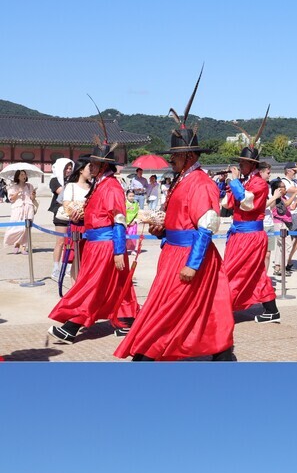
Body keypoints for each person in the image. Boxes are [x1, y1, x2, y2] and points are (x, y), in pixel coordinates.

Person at [114, 73, 234, 362]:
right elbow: (179, 219)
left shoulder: (201, 183)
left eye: (176, 156)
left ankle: (147, 355)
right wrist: (162, 229)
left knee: (173, 307)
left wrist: (193, 264)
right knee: (185, 305)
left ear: (189, 156)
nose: (172, 160)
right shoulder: (182, 180)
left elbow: (206, 226)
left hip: (191, 255)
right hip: (173, 252)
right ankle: (218, 353)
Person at [48, 134, 139, 344]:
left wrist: (119, 250)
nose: (90, 167)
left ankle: (71, 327)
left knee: (91, 284)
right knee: (117, 284)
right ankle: (126, 321)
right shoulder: (99, 184)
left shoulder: (112, 186)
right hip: (95, 242)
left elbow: (119, 219)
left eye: (94, 163)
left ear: (103, 165)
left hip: (106, 244)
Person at [220, 116, 280, 324]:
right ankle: (271, 310)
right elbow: (228, 204)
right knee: (255, 273)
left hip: (250, 235)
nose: (239, 165)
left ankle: (222, 306)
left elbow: (247, 203)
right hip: (239, 234)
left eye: (242, 163)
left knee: (232, 270)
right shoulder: (245, 182)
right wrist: (230, 183)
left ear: (251, 164)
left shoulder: (259, 184)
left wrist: (235, 182)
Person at [49, 158, 74, 278]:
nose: (68, 170)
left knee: (71, 242)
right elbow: (61, 192)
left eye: (70, 168)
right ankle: (56, 267)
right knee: (60, 241)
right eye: (66, 168)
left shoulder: (73, 180)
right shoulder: (54, 180)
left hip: (72, 213)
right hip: (60, 213)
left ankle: (68, 266)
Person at [4, 169, 36, 255]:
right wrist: (18, 192)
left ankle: (23, 246)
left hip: (28, 207)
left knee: (26, 228)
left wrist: (33, 194)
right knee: (17, 227)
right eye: (21, 174)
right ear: (17, 176)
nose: (23, 176)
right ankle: (17, 244)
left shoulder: (29, 186)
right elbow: (11, 199)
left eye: (24, 174)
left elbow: (32, 199)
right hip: (17, 208)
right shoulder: (12, 187)